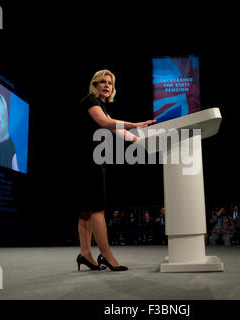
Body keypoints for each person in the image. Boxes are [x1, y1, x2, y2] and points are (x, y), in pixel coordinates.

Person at [75, 69, 156, 272]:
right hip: (89, 160)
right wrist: (135, 124)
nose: (106, 85)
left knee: (86, 210)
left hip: (88, 159)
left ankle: (85, 254)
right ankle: (107, 256)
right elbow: (105, 123)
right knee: (97, 209)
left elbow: (117, 131)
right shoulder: (89, 102)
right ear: (94, 84)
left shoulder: (99, 105)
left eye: (109, 83)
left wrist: (141, 140)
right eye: (102, 81)